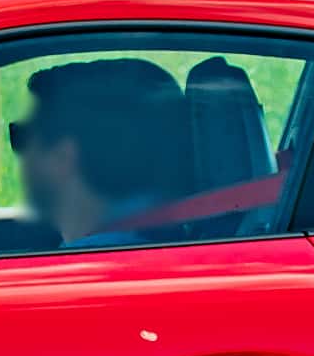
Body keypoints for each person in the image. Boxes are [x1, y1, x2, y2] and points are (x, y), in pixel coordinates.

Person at [11, 58, 187, 244]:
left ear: (63, 157)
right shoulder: (162, 236)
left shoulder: (79, 267)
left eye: (23, 135)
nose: (21, 154)